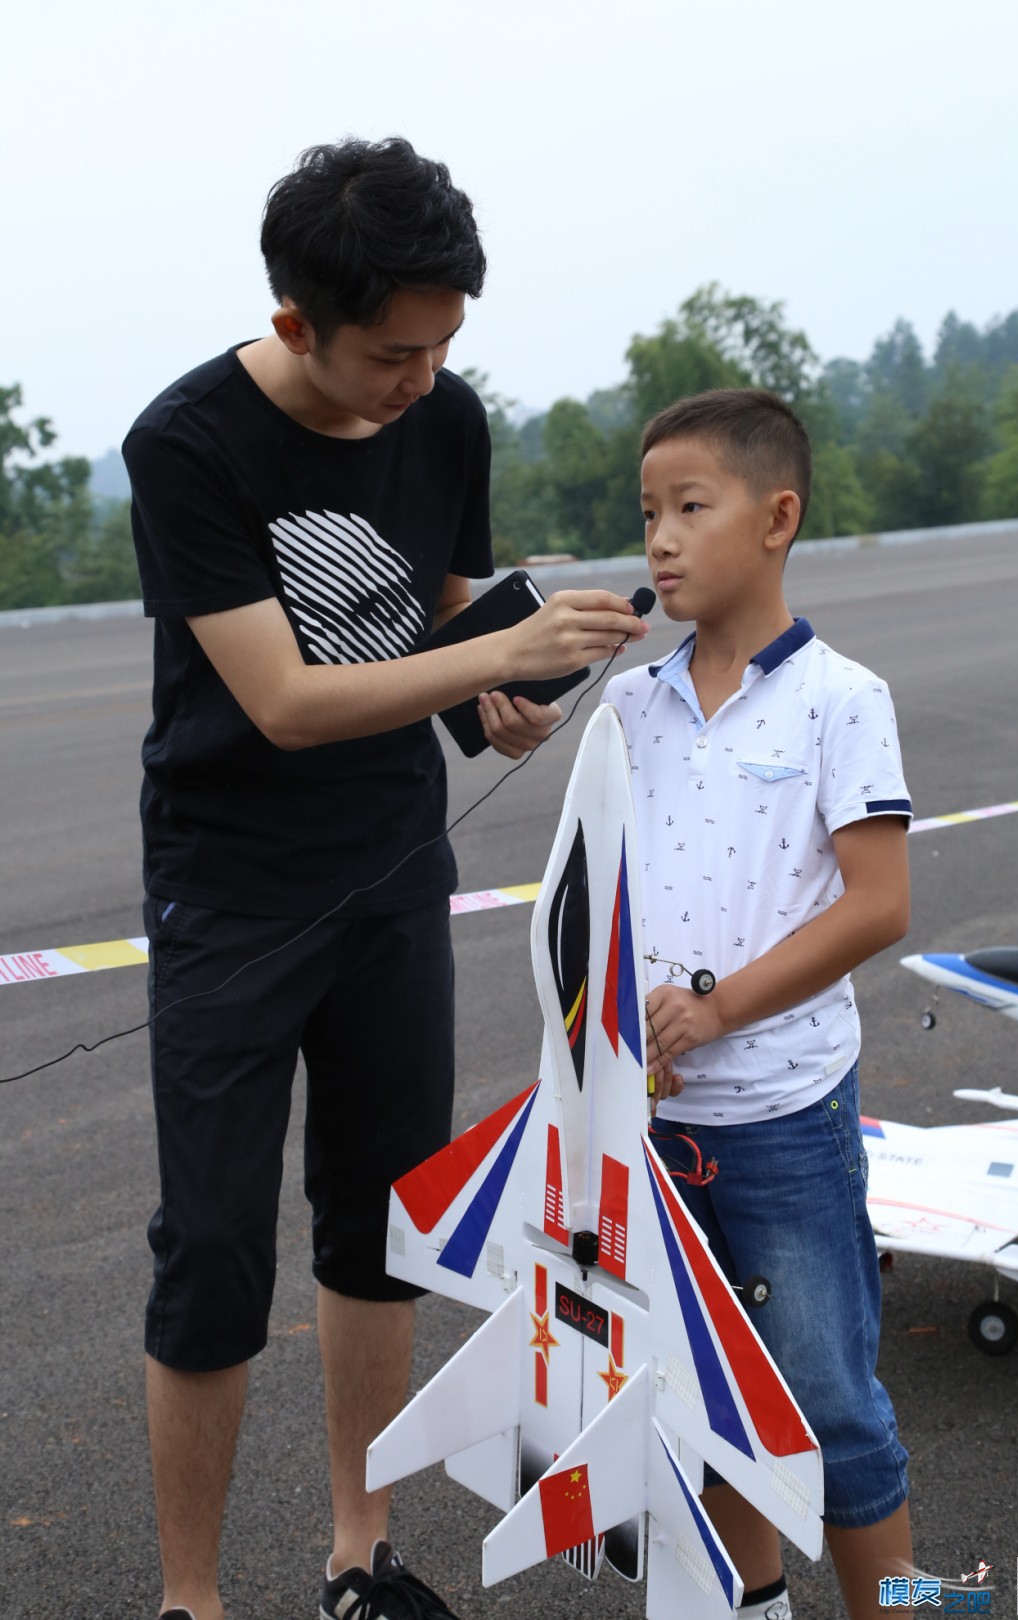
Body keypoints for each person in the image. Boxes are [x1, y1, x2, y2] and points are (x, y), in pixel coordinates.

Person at [123, 136, 647, 1620]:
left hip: (392, 874)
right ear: (297, 322)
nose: (420, 380)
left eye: (442, 348)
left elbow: (447, 616)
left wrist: (496, 692)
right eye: (391, 354)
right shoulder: (190, 444)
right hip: (229, 890)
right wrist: (492, 655)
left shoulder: (449, 416)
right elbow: (283, 702)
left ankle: (363, 1553)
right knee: (213, 1250)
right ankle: (191, 1599)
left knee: (380, 1223)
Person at [601, 388, 914, 1620]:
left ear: (777, 517)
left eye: (691, 507)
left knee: (829, 1404)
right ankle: (751, 1600)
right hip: (660, 1127)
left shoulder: (843, 697)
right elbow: (601, 898)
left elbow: (878, 904)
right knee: (703, 1389)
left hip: (785, 1121)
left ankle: (905, 1606)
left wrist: (720, 1007)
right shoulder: (628, 706)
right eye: (647, 515)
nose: (661, 541)